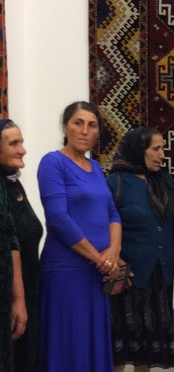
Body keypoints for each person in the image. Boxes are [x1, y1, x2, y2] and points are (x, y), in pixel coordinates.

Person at [37, 101, 122, 372]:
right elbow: (58, 218)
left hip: (97, 274)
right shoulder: (53, 162)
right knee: (68, 341)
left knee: (92, 340)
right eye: (78, 123)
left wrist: (113, 253)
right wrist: (100, 259)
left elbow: (113, 214)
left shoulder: (95, 168)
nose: (85, 130)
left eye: (92, 125)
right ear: (65, 127)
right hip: (67, 270)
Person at [106, 126, 174, 371]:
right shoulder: (115, 182)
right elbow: (102, 225)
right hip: (127, 276)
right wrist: (115, 259)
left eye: (162, 148)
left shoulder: (165, 181)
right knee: (120, 345)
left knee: (147, 348)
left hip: (160, 275)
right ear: (139, 150)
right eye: (156, 149)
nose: (162, 155)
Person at [0, 120, 42, 372]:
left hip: (27, 290)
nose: (22, 150)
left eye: (22, 142)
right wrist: (18, 300)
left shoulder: (13, 183)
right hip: (10, 296)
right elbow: (10, 241)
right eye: (14, 143)